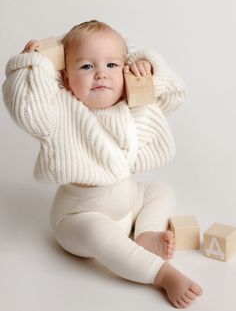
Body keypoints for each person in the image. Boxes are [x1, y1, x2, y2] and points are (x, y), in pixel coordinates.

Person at [2, 20, 203, 308]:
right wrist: (31, 66)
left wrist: (146, 67)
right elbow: (25, 107)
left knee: (159, 190)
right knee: (100, 233)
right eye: (85, 66)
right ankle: (160, 275)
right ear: (65, 77)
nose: (100, 74)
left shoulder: (132, 106)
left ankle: (146, 234)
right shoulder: (59, 112)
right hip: (79, 217)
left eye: (112, 65)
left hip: (128, 202)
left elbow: (173, 94)